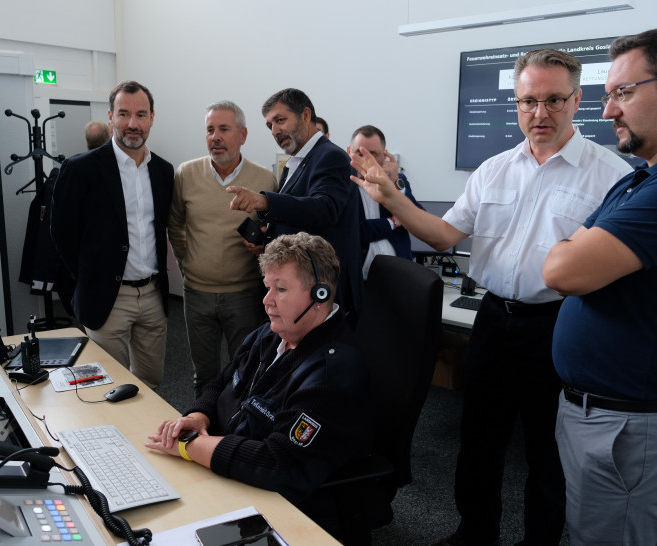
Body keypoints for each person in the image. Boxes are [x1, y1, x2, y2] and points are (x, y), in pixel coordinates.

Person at [351, 49, 632, 546]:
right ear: (516, 103)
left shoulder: (610, 176)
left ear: (577, 100)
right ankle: (474, 531)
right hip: (494, 319)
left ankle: (539, 540)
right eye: (528, 101)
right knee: (479, 437)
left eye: (553, 100)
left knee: (547, 450)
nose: (539, 113)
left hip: (559, 325)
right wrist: (392, 198)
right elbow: (442, 235)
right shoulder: (495, 169)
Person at [146, 232, 373, 541]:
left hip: (287, 505)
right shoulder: (271, 334)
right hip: (229, 471)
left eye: (280, 289)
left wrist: (189, 446)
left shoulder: (333, 373)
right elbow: (222, 381)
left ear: (320, 295)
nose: (266, 301)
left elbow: (279, 464)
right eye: (268, 288)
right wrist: (199, 417)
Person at [543, 29, 657, 546]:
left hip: (627, 429)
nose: (609, 112)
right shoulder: (636, 180)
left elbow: (562, 270)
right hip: (595, 415)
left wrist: (571, 246)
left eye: (624, 93)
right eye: (609, 95)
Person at [51, 80, 174, 389]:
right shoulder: (80, 170)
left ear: (152, 118)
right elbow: (62, 233)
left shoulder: (163, 170)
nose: (133, 124)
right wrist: (89, 276)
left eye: (141, 115)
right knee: (106, 387)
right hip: (108, 298)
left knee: (150, 385)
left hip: (153, 296)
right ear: (110, 117)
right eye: (124, 114)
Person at [167, 100, 276, 398]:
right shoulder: (186, 174)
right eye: (210, 130)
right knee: (204, 375)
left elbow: (273, 235)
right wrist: (187, 261)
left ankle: (237, 436)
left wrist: (261, 245)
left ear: (242, 135)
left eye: (224, 129)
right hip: (197, 294)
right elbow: (175, 223)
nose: (215, 136)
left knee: (246, 370)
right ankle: (202, 433)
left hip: (244, 295)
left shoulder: (264, 180)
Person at [227, 88, 363, 321]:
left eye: (280, 120)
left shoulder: (331, 156)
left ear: (306, 116)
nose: (275, 130)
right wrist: (268, 235)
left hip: (322, 293)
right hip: (300, 290)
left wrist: (264, 200)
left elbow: (325, 208)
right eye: (270, 125)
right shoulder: (295, 163)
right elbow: (298, 217)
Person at [348, 125, 424, 280]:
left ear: (384, 155)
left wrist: (395, 183)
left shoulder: (399, 180)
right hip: (358, 278)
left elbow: (419, 219)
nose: (366, 158)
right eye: (359, 152)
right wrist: (394, 222)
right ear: (349, 152)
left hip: (399, 276)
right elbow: (354, 231)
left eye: (373, 153)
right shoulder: (341, 183)